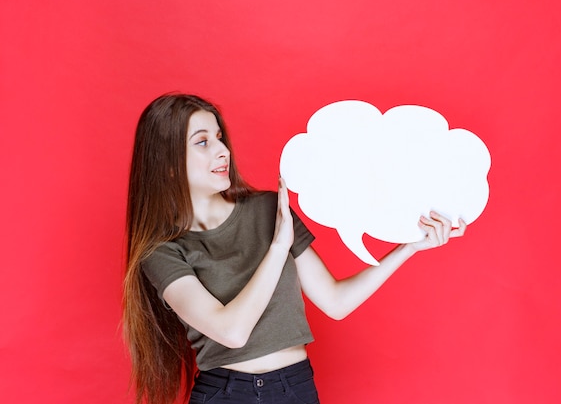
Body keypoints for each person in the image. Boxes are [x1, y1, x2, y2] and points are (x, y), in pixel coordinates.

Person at [122, 93, 466, 404]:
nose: (222, 150)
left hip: (295, 388)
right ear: (166, 163)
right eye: (202, 142)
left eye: (219, 138)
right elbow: (231, 331)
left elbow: (336, 302)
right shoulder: (162, 252)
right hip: (225, 394)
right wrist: (277, 248)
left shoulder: (268, 209)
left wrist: (408, 247)